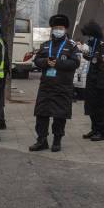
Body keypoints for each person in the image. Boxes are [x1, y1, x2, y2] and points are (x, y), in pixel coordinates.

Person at [29, 14, 80, 153]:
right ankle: (41, 140)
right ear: (52, 29)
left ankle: (57, 141)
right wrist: (46, 62)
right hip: (46, 86)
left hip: (63, 86)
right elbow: (37, 60)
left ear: (65, 29)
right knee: (41, 114)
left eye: (61, 28)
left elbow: (75, 63)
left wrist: (58, 63)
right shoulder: (46, 45)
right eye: (56, 28)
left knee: (59, 115)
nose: (58, 30)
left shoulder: (71, 46)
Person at [81, 21, 104, 141]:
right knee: (92, 106)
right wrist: (84, 53)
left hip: (101, 82)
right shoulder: (93, 42)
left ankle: (102, 131)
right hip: (92, 79)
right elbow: (92, 57)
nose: (88, 37)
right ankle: (94, 129)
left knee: (101, 107)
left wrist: (101, 84)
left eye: (89, 35)